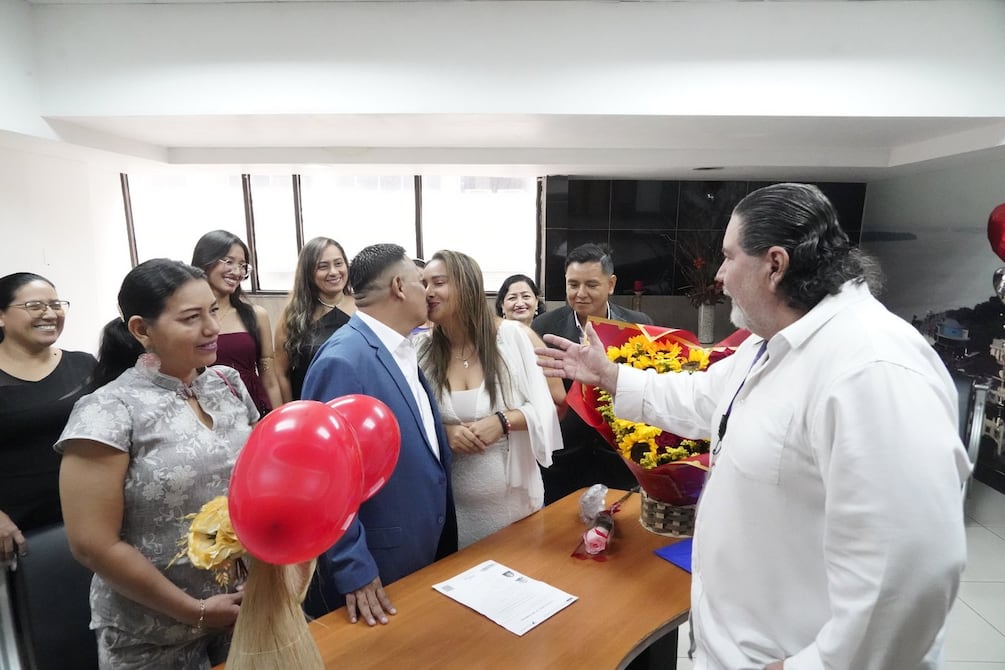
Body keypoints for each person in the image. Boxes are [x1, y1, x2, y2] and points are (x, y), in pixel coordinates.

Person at [536, 183, 969, 670]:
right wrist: (611, 376)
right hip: (740, 644)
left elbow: (912, 568)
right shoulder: (769, 344)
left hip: (790, 654)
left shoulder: (872, 367)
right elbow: (701, 398)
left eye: (728, 257)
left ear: (775, 265)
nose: (718, 275)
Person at [56, 259, 259, 669]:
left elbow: (257, 481)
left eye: (213, 311)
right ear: (141, 329)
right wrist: (195, 611)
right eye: (191, 318)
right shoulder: (108, 410)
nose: (212, 328)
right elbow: (93, 544)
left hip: (243, 609)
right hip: (152, 635)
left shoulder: (226, 385)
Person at [302, 243, 456, 626]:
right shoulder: (344, 359)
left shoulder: (401, 348)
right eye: (422, 282)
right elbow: (322, 478)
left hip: (419, 545)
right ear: (399, 287)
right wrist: (351, 565)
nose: (429, 292)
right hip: (376, 562)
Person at [417, 251, 562, 548]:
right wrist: (445, 432)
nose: (428, 292)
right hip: (451, 510)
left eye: (438, 283)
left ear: (466, 285)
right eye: (424, 284)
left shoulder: (514, 338)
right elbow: (411, 420)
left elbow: (549, 409)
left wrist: (503, 421)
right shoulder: (422, 349)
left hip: (514, 505)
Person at [531, 242, 652, 503]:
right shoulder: (544, 327)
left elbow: (648, 384)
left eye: (591, 285)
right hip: (563, 458)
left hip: (619, 457)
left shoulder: (638, 325)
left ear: (611, 284)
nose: (580, 294)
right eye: (573, 285)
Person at [0, 273, 96, 567]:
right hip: (15, 532)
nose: (50, 314)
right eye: (35, 306)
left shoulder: (84, 365)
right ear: (1, 316)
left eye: (56, 305)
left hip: (92, 519)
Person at [192, 230, 281, 415]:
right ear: (205, 261)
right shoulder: (187, 318)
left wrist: (279, 418)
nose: (237, 272)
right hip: (207, 410)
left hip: (253, 408)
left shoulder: (257, 315)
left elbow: (269, 379)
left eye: (242, 265)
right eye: (229, 262)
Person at [274, 237, 356, 402]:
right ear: (308, 272)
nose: (333, 272)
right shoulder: (293, 314)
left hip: (355, 402)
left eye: (338, 263)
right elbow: (281, 373)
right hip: (310, 406)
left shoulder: (363, 307)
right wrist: (292, 411)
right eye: (323, 266)